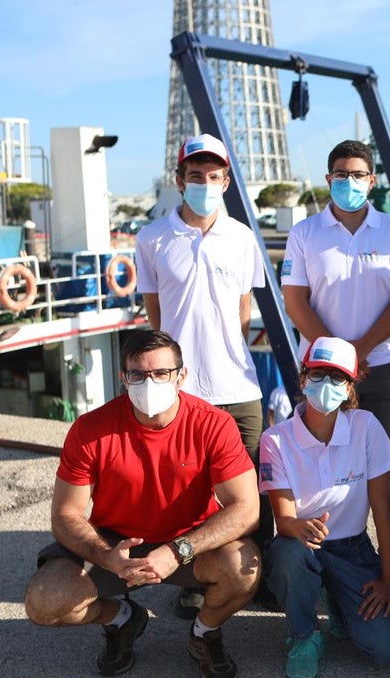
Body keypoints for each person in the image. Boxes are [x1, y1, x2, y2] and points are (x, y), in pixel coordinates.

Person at [23, 330, 261, 678]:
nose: (150, 382)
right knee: (44, 602)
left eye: (162, 373)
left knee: (243, 569)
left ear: (182, 376)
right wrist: (106, 557)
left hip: (187, 544)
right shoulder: (90, 430)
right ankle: (121, 619)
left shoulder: (214, 425)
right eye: (138, 374)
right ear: (124, 378)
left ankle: (204, 632)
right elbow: (65, 514)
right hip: (114, 543)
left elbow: (247, 508)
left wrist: (177, 551)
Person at [135, 133, 267, 618]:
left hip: (238, 386)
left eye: (214, 177)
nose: (204, 184)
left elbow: (243, 313)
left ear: (227, 182)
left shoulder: (242, 237)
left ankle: (257, 576)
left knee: (251, 489)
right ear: (179, 180)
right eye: (195, 176)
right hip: (180, 391)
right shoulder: (151, 238)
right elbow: (156, 319)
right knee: (187, 490)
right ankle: (192, 580)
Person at [281, 139, 390, 577]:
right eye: (341, 174)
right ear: (328, 179)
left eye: (358, 174)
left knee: (389, 464)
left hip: (382, 366)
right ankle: (312, 548)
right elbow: (296, 302)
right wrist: (336, 357)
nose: (349, 182)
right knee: (313, 457)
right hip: (321, 372)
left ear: (372, 181)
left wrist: (357, 352)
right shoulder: (305, 233)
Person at [259, 337, 390, 678]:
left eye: (337, 377)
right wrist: (299, 527)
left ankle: (338, 599)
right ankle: (304, 634)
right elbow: (283, 519)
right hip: (301, 543)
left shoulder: (366, 426)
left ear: (351, 387)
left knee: (388, 651)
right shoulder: (276, 439)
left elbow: (382, 511)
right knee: (288, 555)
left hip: (352, 548)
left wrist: (389, 579)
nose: (326, 384)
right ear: (302, 378)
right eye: (318, 373)